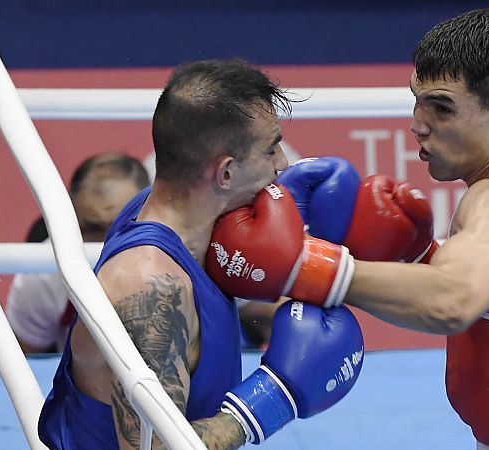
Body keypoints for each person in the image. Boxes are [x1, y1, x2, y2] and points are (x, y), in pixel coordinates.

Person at [210, 6, 489, 449]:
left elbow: (452, 301)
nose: (418, 125)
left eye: (442, 107)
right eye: (417, 100)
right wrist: (419, 258)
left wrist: (305, 267)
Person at [38, 59, 364, 450]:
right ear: (225, 174)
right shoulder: (150, 287)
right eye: (271, 149)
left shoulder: (179, 213)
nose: (283, 164)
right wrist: (268, 404)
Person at [6, 152, 150, 353]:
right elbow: (25, 366)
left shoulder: (185, 258)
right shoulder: (42, 275)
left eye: (121, 227)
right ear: (70, 217)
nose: (106, 244)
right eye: (93, 229)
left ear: (150, 213)